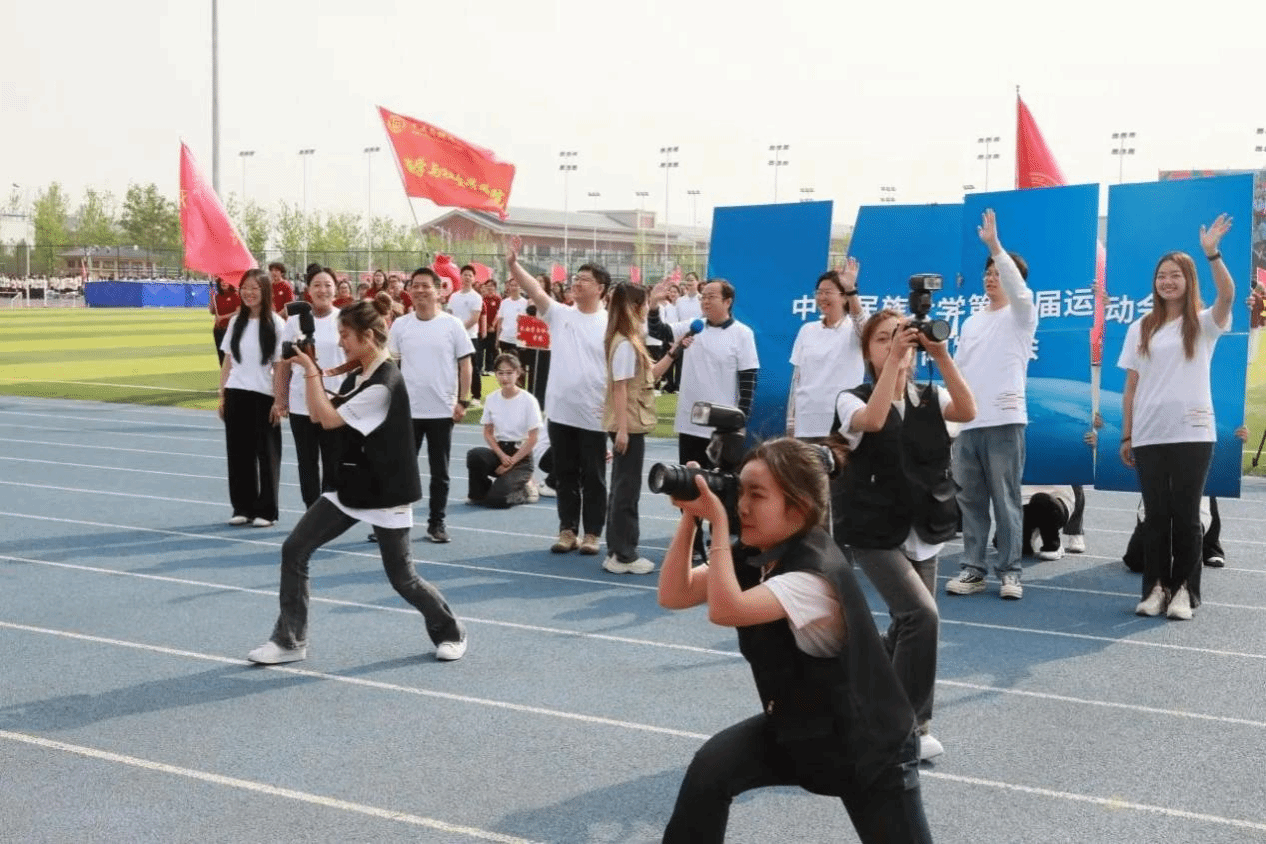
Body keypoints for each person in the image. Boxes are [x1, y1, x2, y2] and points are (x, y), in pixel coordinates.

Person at [657, 437, 931, 843]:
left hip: (868, 745)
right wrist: (690, 519)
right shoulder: (761, 553)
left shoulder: (812, 576)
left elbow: (725, 609)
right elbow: (673, 594)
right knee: (711, 770)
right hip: (801, 727)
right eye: (739, 491)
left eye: (757, 495)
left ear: (798, 508)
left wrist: (718, 525)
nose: (741, 505)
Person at [246, 296, 467, 665]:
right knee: (294, 549)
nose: (341, 342)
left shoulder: (384, 384)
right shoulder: (358, 374)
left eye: (346, 335)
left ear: (368, 337)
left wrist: (311, 370)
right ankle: (290, 641)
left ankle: (451, 631)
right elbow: (316, 416)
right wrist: (310, 371)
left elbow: (328, 419)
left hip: (385, 490)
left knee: (403, 578)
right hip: (351, 483)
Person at [833, 309, 976, 763]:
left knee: (905, 625)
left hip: (924, 527)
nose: (895, 344)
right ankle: (910, 728)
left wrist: (942, 355)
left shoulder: (930, 396)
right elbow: (874, 422)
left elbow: (968, 410)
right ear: (867, 351)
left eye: (901, 337)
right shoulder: (850, 399)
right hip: (873, 530)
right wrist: (893, 362)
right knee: (921, 617)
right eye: (882, 339)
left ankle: (859, 692)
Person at [1120, 214, 1235, 620]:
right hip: (1149, 435)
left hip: (1193, 432)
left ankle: (1185, 590)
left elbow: (1228, 295)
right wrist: (1127, 435)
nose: (1167, 282)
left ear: (1189, 280)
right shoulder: (1140, 327)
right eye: (1161, 276)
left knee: (1186, 516)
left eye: (1175, 275)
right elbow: (1131, 388)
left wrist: (1212, 254)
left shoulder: (1202, 323)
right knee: (1156, 517)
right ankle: (1155, 588)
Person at [946, 208, 1038, 600]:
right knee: (970, 500)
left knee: (1006, 499)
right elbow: (959, 372)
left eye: (998, 272)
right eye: (987, 272)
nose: (990, 277)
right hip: (969, 423)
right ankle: (973, 568)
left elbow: (1019, 289)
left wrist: (995, 247)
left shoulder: (1022, 314)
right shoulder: (971, 322)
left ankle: (1010, 571)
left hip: (1005, 418)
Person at [506, 236, 610, 556]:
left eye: (585, 279)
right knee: (565, 476)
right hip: (561, 412)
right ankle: (568, 531)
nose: (577, 283)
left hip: (594, 414)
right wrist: (513, 264)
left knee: (594, 478)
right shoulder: (561, 314)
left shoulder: (610, 322)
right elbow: (536, 291)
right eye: (576, 277)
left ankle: (592, 533)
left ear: (601, 288)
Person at [649, 277, 760, 561]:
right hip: (689, 421)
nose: (705, 301)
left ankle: (721, 541)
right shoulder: (693, 327)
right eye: (703, 296)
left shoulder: (742, 334)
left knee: (723, 487)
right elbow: (658, 330)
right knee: (687, 483)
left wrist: (741, 418)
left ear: (728, 301)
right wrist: (654, 306)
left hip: (721, 426)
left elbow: (748, 378)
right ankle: (692, 539)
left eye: (711, 296)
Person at [387, 269, 475, 544]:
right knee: (401, 470)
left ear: (439, 291)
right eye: (415, 286)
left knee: (440, 473)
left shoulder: (453, 325)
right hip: (408, 412)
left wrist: (463, 400)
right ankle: (393, 523)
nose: (420, 290)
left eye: (426, 286)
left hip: (441, 411)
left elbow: (465, 364)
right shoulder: (400, 325)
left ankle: (436, 523)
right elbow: (391, 366)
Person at [602, 283, 676, 575]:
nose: (648, 309)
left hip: (630, 422)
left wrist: (674, 353)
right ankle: (624, 554)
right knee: (627, 490)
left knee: (622, 488)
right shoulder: (624, 344)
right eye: (645, 304)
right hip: (629, 424)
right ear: (634, 308)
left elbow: (649, 376)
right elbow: (619, 388)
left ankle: (617, 551)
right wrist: (622, 429)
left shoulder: (629, 338)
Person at [217, 268, 286, 527]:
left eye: (254, 288)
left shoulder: (276, 324)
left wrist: (279, 400)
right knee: (238, 454)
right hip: (236, 393)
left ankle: (266, 511)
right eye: (244, 288)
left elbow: (280, 365)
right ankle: (242, 507)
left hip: (264, 395)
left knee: (267, 455)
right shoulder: (236, 321)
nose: (248, 293)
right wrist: (222, 394)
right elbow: (228, 360)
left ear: (265, 291)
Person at [273, 268, 346, 508]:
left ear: (336, 289)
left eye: (327, 285)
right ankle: (311, 510)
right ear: (308, 290)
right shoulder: (295, 321)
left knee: (334, 461)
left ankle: (328, 510)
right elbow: (284, 363)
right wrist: (280, 398)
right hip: (301, 403)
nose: (322, 290)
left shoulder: (345, 319)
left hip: (335, 403)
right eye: (317, 285)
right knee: (307, 462)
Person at [787, 261, 867, 439]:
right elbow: (797, 379)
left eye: (828, 292)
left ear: (844, 297)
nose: (822, 297)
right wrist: (791, 422)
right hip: (806, 424)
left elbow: (865, 329)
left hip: (841, 424)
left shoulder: (853, 330)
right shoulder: (807, 330)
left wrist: (851, 289)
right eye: (819, 292)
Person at [466, 352, 542, 508]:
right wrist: (501, 455)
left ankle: (526, 489)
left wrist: (511, 462)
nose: (504, 378)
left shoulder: (529, 401)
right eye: (500, 373)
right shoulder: (491, 399)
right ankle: (479, 493)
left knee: (498, 501)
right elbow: (488, 433)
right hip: (501, 453)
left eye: (509, 373)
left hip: (521, 459)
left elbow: (533, 438)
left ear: (518, 373)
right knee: (475, 455)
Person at [448, 264, 486, 407]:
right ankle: (457, 395)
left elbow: (475, 318)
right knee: (455, 367)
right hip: (454, 337)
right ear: (461, 276)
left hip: (470, 336)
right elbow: (449, 315)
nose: (467, 277)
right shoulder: (454, 296)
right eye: (465, 274)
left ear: (474, 278)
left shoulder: (476, 297)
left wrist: (459, 329)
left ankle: (476, 395)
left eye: (470, 275)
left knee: (472, 366)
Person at [209, 276, 240, 365]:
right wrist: (211, 297)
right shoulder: (217, 296)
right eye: (221, 281)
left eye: (226, 281)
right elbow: (212, 311)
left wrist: (223, 317)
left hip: (231, 330)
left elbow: (238, 312)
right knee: (221, 356)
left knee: (230, 356)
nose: (223, 283)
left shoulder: (235, 295)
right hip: (218, 330)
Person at [494, 276, 527, 357]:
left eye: (516, 285)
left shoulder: (525, 303)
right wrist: (497, 339)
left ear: (520, 287)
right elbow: (500, 321)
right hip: (505, 339)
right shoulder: (504, 302)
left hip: (518, 341)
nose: (514, 287)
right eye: (512, 285)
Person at [480, 278, 502, 374]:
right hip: (483, 327)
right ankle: (481, 367)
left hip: (493, 328)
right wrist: (485, 326)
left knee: (491, 349)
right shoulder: (482, 299)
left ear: (495, 287)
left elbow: (499, 313)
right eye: (487, 286)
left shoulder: (498, 299)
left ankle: (490, 368)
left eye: (491, 286)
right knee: (481, 349)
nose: (489, 288)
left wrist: (492, 325)